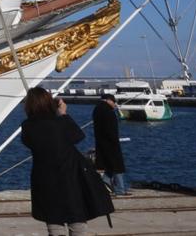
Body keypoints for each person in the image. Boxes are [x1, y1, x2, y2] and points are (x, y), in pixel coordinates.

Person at [21, 86, 114, 236]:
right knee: (77, 222)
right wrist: (62, 114)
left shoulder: (27, 126)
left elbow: (28, 141)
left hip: (45, 179)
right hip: (70, 176)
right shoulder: (59, 122)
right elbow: (77, 136)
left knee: (54, 223)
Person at [92, 93, 128, 195]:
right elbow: (111, 129)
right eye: (114, 102)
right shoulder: (108, 111)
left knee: (109, 165)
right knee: (117, 165)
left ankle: (105, 182)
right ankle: (120, 189)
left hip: (101, 142)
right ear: (108, 100)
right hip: (110, 143)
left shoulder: (97, 109)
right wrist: (114, 140)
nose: (115, 104)